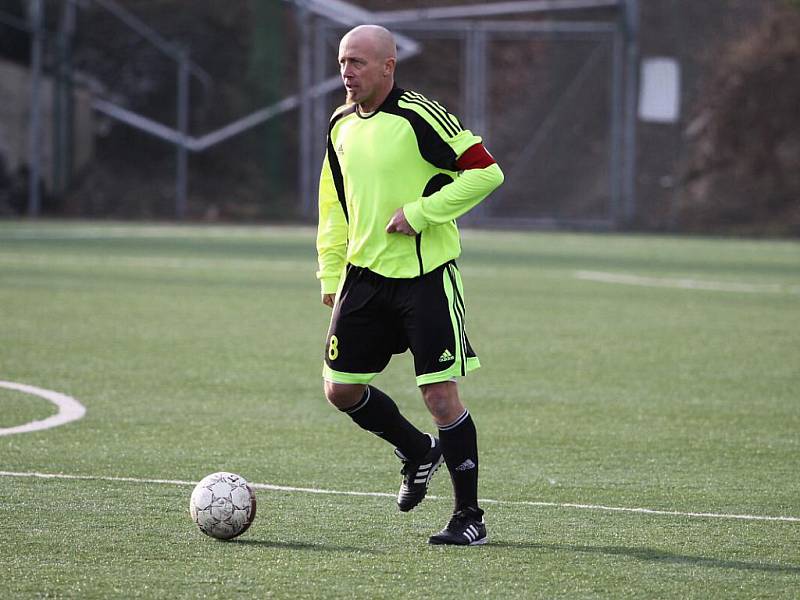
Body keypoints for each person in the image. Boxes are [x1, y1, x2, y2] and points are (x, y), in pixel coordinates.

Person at [316, 24, 504, 546]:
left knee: (440, 396)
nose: (347, 73)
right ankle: (418, 451)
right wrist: (331, 272)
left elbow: (486, 173)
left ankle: (470, 517)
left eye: (357, 62)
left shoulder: (420, 115)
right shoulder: (338, 125)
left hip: (426, 280)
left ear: (388, 66)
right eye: (341, 63)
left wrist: (421, 213)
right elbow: (333, 206)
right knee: (341, 389)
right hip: (363, 278)